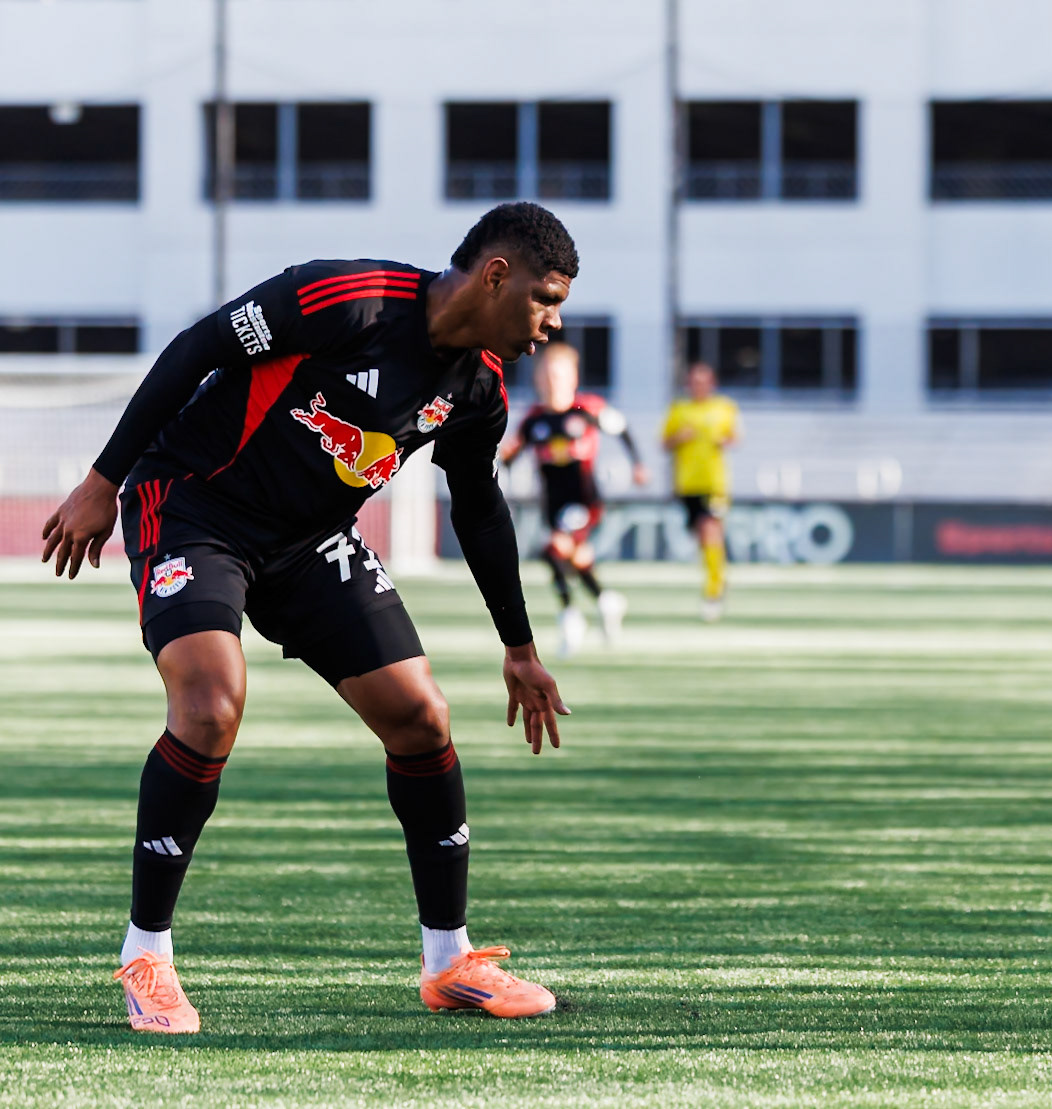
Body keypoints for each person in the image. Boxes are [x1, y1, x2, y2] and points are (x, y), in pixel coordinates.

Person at [41, 201, 579, 1033]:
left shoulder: (479, 388)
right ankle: (146, 954)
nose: (552, 324)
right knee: (210, 705)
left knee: (421, 717)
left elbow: (478, 503)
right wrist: (103, 478)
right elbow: (197, 348)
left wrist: (520, 646)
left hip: (307, 540)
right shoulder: (349, 300)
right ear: (497, 276)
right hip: (195, 506)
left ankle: (450, 963)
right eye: (546, 299)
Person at [501, 341, 648, 655]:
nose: (553, 381)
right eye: (547, 375)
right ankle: (606, 600)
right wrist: (506, 459)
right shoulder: (534, 419)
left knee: (552, 551)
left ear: (573, 378)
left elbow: (622, 429)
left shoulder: (587, 409)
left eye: (559, 375)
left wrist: (637, 465)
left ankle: (570, 615)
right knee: (576, 558)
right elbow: (512, 455)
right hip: (552, 504)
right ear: (539, 379)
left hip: (584, 501)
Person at [661, 362, 741, 621]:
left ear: (712, 384)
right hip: (687, 484)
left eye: (703, 382)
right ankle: (717, 575)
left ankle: (713, 591)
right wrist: (679, 438)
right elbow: (664, 442)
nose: (698, 387)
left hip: (714, 484)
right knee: (702, 538)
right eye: (694, 382)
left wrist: (723, 440)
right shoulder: (679, 409)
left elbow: (735, 438)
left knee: (710, 530)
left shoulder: (724, 408)